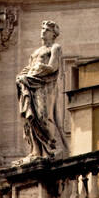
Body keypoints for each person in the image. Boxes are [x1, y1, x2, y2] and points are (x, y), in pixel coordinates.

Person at [16, 21, 66, 159]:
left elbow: (53, 67)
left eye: (47, 30)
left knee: (43, 116)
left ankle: (50, 147)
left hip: (44, 86)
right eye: (42, 29)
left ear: (53, 34)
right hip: (30, 86)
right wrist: (21, 76)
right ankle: (36, 151)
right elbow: (27, 69)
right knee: (30, 118)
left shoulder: (55, 48)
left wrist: (39, 68)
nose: (43, 31)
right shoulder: (35, 53)